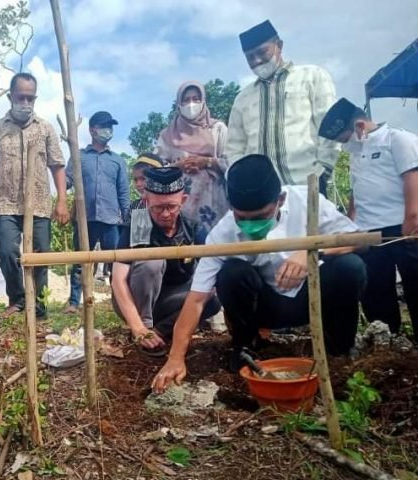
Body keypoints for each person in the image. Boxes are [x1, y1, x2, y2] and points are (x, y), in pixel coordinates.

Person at [152, 154, 367, 391]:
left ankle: (339, 349)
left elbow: (358, 240)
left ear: (281, 200)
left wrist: (312, 253)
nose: (251, 225)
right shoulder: (222, 234)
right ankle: (246, 345)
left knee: (350, 268)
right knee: (231, 273)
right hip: (266, 307)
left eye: (260, 217)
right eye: (242, 218)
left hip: (311, 298)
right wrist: (175, 359)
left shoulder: (307, 201)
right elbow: (196, 300)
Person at [319, 98, 418, 337]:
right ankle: (387, 343)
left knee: (416, 286)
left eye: (344, 139)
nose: (344, 145)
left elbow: (412, 178)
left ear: (359, 126)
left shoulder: (398, 139)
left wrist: (412, 218)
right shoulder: (357, 154)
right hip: (370, 233)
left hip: (403, 228)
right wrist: (350, 227)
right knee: (376, 294)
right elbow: (358, 192)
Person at [0, 72, 69, 318]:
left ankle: (39, 307)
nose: (26, 103)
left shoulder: (46, 129)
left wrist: (61, 200)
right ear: (10, 97)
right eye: (21, 97)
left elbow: (58, 166)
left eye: (31, 98)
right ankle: (18, 300)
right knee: (8, 251)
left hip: (40, 205)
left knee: (41, 255)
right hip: (5, 204)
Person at [112, 166, 219, 356]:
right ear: (146, 202)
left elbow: (212, 272)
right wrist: (138, 327)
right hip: (138, 302)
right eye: (158, 208)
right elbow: (118, 280)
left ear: (183, 201)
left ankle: (161, 332)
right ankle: (145, 330)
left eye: (171, 206)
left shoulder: (192, 228)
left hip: (174, 301)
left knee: (213, 297)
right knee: (152, 261)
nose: (165, 214)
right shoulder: (138, 227)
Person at [225, 20, 339, 194]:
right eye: (250, 57)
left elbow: (329, 126)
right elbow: (234, 147)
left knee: (312, 223)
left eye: (262, 52)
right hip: (262, 195)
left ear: (279, 45)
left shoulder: (312, 76)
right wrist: (245, 180)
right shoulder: (243, 98)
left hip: (309, 184)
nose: (257, 61)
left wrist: (323, 170)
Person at [64, 111, 129, 312]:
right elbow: (66, 182)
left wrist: (126, 216)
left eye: (111, 127)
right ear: (92, 129)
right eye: (104, 126)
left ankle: (118, 302)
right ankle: (74, 302)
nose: (108, 130)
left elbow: (123, 191)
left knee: (116, 262)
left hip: (111, 221)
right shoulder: (79, 157)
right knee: (80, 261)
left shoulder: (117, 160)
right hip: (85, 219)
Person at [154, 81, 229, 231]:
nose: (191, 104)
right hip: (177, 205)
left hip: (213, 202)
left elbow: (231, 163)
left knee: (214, 246)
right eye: (186, 100)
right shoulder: (167, 135)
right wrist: (177, 167)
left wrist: (207, 162)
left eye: (196, 99)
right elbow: (154, 170)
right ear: (178, 104)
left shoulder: (217, 129)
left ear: (203, 101)